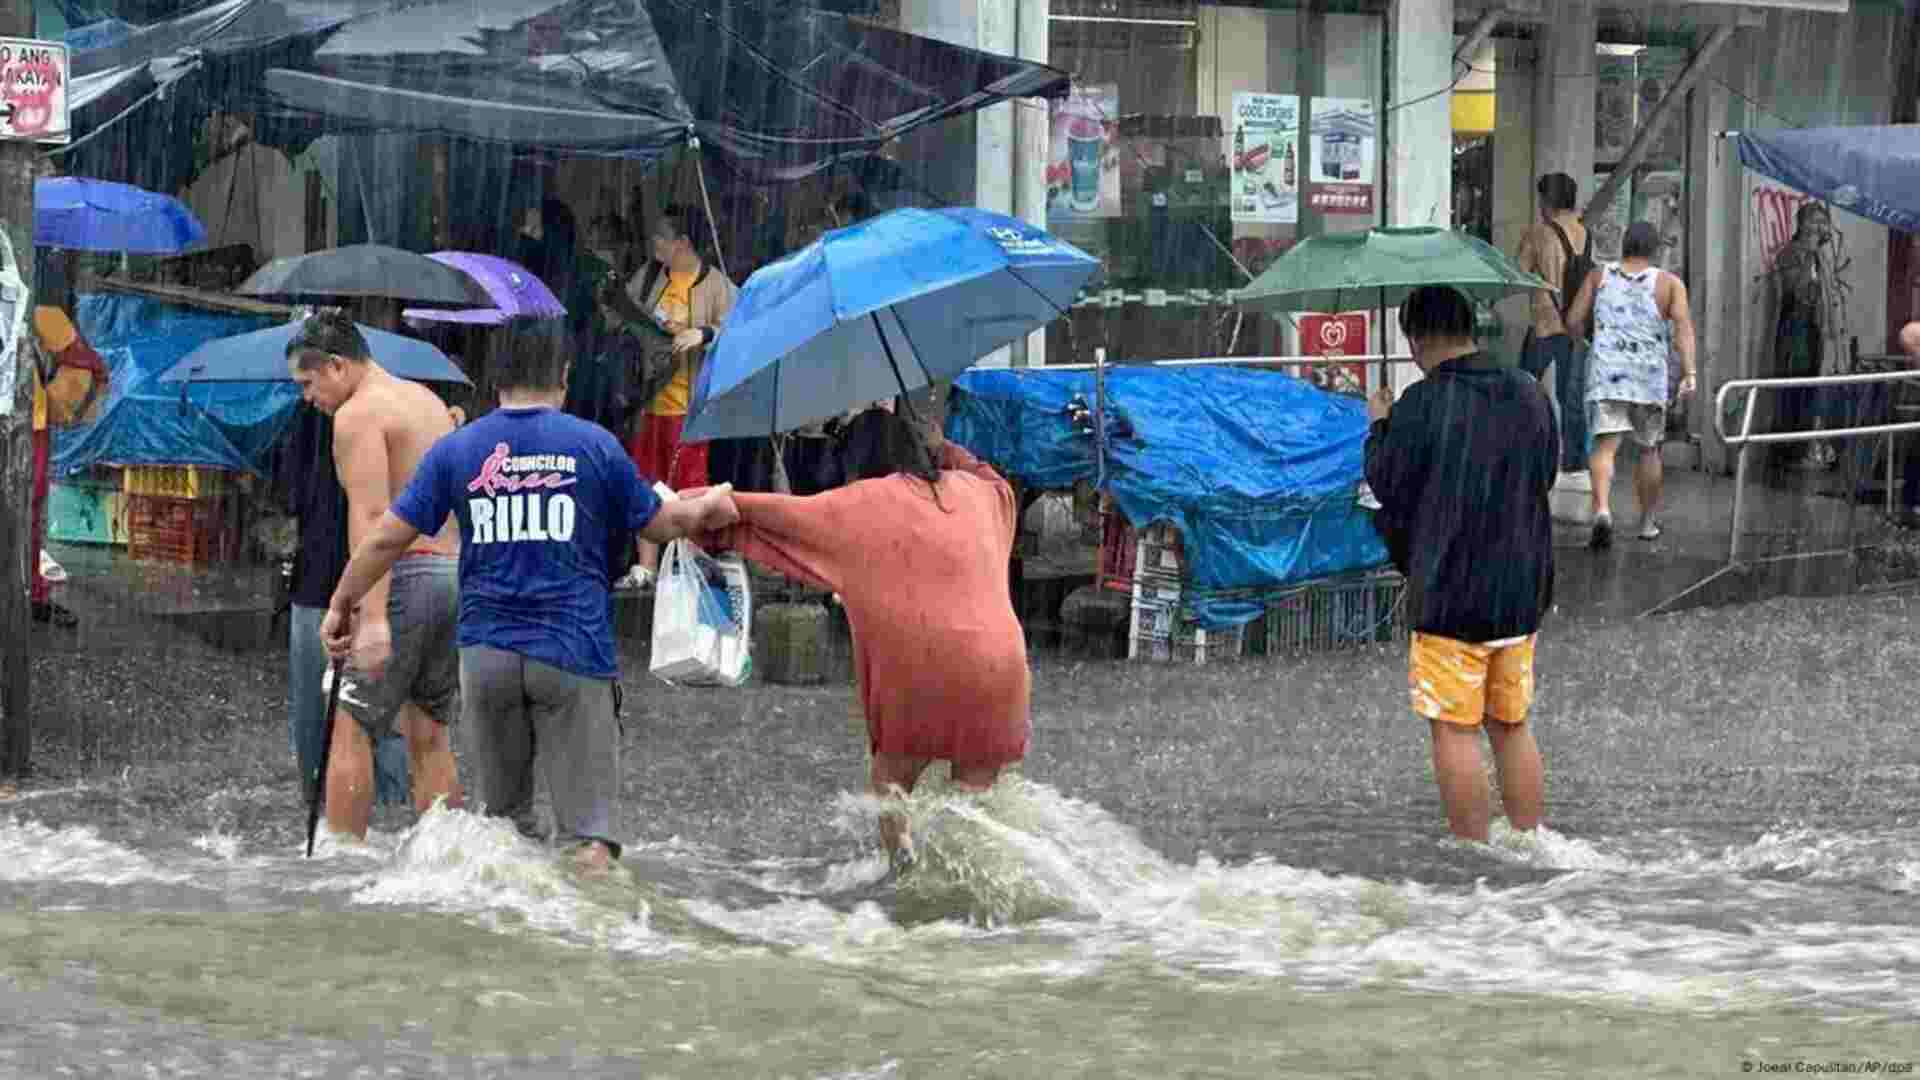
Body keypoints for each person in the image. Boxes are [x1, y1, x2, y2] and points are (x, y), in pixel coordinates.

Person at [322, 322, 740, 872]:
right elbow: (663, 523)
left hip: (486, 660)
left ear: (497, 379)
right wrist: (707, 508)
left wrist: (342, 603)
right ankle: (586, 943)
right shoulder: (593, 445)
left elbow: (384, 539)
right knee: (588, 840)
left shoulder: (459, 450)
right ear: (564, 378)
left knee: (504, 835)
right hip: (572, 653)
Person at [693, 409, 1029, 874]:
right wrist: (943, 446)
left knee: (892, 784)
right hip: (1001, 671)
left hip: (922, 676)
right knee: (974, 805)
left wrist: (700, 509)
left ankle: (904, 870)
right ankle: (977, 889)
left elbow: (776, 517)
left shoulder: (862, 503)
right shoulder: (981, 494)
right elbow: (990, 477)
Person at [1363, 285, 1557, 844]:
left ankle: (1473, 856)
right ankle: (1529, 843)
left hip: (1450, 592)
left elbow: (1388, 483)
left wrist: (1380, 424)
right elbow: (1543, 475)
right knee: (1511, 724)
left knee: (1455, 729)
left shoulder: (1422, 404)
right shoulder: (1526, 391)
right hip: (1521, 591)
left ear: (1416, 338)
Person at [287, 311, 465, 841]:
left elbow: (372, 519)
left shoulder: (357, 416)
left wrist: (369, 617)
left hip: (405, 576)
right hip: (451, 575)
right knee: (429, 729)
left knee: (351, 721)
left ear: (338, 366)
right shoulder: (425, 401)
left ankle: (342, 863)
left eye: (309, 381)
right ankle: (452, 860)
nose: (307, 396)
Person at [280, 401, 412, 810]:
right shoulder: (400, 411)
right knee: (382, 710)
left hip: (320, 580)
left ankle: (318, 803)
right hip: (383, 582)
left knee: (313, 714)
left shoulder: (305, 416)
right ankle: (389, 810)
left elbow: (290, 495)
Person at [619, 204, 738, 585]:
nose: (654, 243)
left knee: (690, 485)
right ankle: (647, 568)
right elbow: (620, 314)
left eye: (661, 238)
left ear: (683, 243)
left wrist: (702, 333)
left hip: (690, 407)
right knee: (645, 481)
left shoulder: (715, 284)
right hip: (648, 401)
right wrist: (650, 329)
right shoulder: (650, 276)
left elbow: (739, 328)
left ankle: (691, 563)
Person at [1565, 221, 1699, 548]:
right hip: (1648, 378)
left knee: (1604, 445)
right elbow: (1683, 330)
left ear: (1624, 245)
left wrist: (1587, 344)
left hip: (1607, 373)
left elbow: (1572, 320)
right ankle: (1647, 522)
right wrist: (1689, 372)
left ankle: (1602, 510)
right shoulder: (1669, 284)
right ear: (1654, 250)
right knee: (1649, 449)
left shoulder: (1599, 277)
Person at [27, 248, 111, 628]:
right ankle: (31, 592)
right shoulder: (43, 313)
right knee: (27, 513)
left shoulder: (40, 315)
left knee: (27, 513)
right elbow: (87, 363)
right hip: (30, 426)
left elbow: (82, 361)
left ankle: (31, 591)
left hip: (30, 425)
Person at [1514, 173, 1594, 471]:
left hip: (1545, 325)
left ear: (1547, 201)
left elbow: (1518, 272)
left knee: (1522, 388)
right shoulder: (1585, 233)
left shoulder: (1538, 233)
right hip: (1576, 327)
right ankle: (1576, 462)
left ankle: (1524, 450)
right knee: (1570, 398)